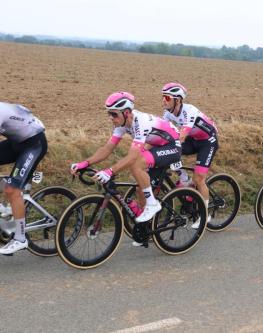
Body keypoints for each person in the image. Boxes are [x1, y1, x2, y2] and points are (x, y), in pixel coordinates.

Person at [70, 92, 182, 236]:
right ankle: (146, 228)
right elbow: (107, 149)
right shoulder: (121, 123)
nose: (111, 118)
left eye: (114, 114)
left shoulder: (141, 122)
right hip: (156, 146)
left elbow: (132, 156)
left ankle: (152, 204)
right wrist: (84, 163)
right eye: (109, 114)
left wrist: (110, 171)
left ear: (127, 112)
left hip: (172, 146)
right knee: (140, 189)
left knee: (136, 164)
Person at [161, 82, 218, 228]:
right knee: (168, 150)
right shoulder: (167, 113)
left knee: (199, 179)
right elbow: (162, 133)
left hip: (207, 141)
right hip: (193, 140)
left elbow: (181, 136)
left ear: (178, 100)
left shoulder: (189, 111)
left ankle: (205, 215)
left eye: (167, 98)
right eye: (163, 97)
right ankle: (184, 178)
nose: (163, 100)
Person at [0, 102, 47, 255]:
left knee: (12, 190)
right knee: (10, 189)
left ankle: (20, 239)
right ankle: (4, 208)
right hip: (17, 142)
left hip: (34, 145)